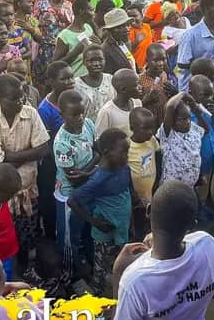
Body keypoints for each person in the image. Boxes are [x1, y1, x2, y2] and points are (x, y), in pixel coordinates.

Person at [113, 181, 214, 320]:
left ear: (148, 211)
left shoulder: (134, 280)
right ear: (192, 224)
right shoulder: (207, 245)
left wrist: (118, 273)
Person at [0, 75, 50, 271]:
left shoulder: (31, 113)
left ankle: (28, 268)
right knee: (7, 236)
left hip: (29, 189)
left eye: (22, 96)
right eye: (13, 98)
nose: (20, 101)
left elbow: (43, 148)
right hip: (5, 196)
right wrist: (29, 153)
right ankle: (14, 272)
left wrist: (10, 156)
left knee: (29, 232)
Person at [68, 128, 132, 296]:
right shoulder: (99, 179)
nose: (126, 156)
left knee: (118, 262)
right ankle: (97, 296)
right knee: (101, 269)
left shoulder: (122, 166)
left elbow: (127, 187)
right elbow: (72, 201)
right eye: (123, 152)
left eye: (127, 151)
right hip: (105, 235)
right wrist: (95, 222)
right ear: (106, 152)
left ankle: (117, 289)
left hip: (121, 226)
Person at [52, 90, 98, 276]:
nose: (80, 118)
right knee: (70, 237)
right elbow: (74, 179)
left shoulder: (88, 124)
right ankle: (70, 273)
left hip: (88, 190)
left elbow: (98, 151)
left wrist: (87, 172)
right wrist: (95, 169)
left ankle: (88, 263)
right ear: (62, 114)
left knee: (87, 230)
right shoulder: (62, 143)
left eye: (82, 112)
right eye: (74, 114)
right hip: (70, 196)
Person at [177, 0, 214, 92]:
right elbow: (182, 64)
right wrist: (212, 64)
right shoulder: (190, 35)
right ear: (206, 9)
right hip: (193, 90)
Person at [157, 93, 204, 188]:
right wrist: (183, 94)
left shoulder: (193, 129)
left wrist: (197, 112)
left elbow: (206, 129)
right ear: (171, 120)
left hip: (190, 186)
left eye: (189, 117)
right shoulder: (168, 135)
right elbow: (170, 107)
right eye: (181, 119)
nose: (187, 122)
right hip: (171, 189)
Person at [127, 107, 158, 237]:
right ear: (132, 127)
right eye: (145, 128)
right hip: (136, 200)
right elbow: (125, 174)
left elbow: (158, 159)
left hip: (151, 195)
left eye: (152, 127)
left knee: (151, 224)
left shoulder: (152, 141)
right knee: (137, 226)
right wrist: (134, 196)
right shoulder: (127, 147)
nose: (150, 132)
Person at [52, 0, 95, 78]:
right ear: (81, 11)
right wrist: (75, 52)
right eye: (91, 10)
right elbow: (55, 65)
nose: (93, 13)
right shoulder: (64, 36)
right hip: (75, 79)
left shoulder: (88, 28)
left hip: (90, 78)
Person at [95, 68, 142, 137]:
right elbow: (100, 138)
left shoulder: (137, 103)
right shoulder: (107, 112)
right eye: (136, 85)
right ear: (123, 89)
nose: (140, 87)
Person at [74, 44, 115, 122]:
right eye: (91, 61)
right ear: (84, 62)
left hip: (110, 126)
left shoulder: (111, 80)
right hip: (86, 127)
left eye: (100, 60)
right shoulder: (76, 85)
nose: (96, 63)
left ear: (105, 60)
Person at [101, 8, 137, 74]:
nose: (127, 29)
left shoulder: (125, 43)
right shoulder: (105, 50)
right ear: (110, 30)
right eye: (121, 27)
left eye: (127, 25)